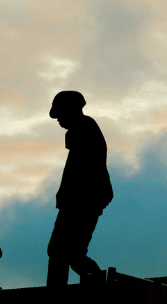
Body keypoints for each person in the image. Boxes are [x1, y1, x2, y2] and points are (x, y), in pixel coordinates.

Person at [46, 90, 112, 286]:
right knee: (68, 253)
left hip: (83, 200)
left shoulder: (82, 129)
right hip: (83, 199)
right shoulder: (83, 128)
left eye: (60, 115)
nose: (58, 120)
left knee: (62, 251)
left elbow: (78, 170)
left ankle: (93, 286)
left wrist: (66, 197)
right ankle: (96, 284)